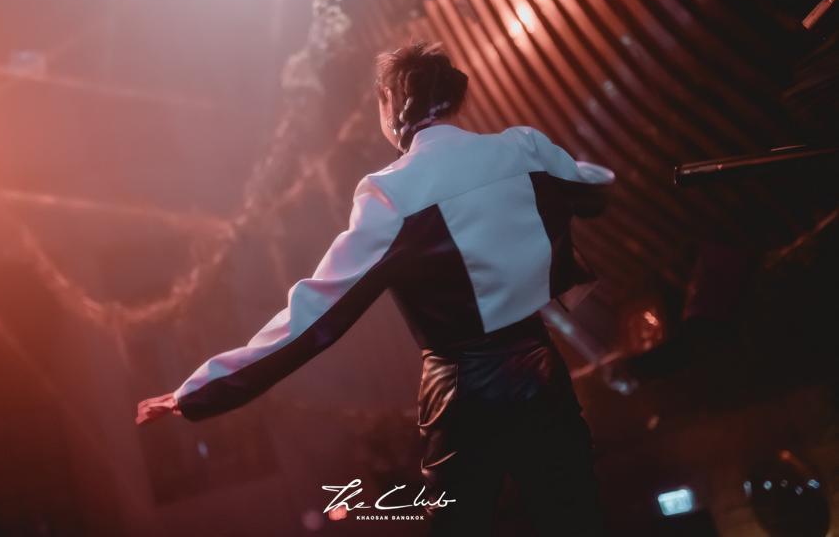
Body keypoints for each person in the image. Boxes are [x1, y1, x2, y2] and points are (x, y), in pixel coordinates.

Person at [137, 41, 613, 535]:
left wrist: (199, 392)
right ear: (454, 96)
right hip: (539, 365)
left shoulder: (392, 193)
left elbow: (315, 315)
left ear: (392, 102)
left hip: (461, 388)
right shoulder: (523, 147)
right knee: (575, 518)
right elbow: (596, 193)